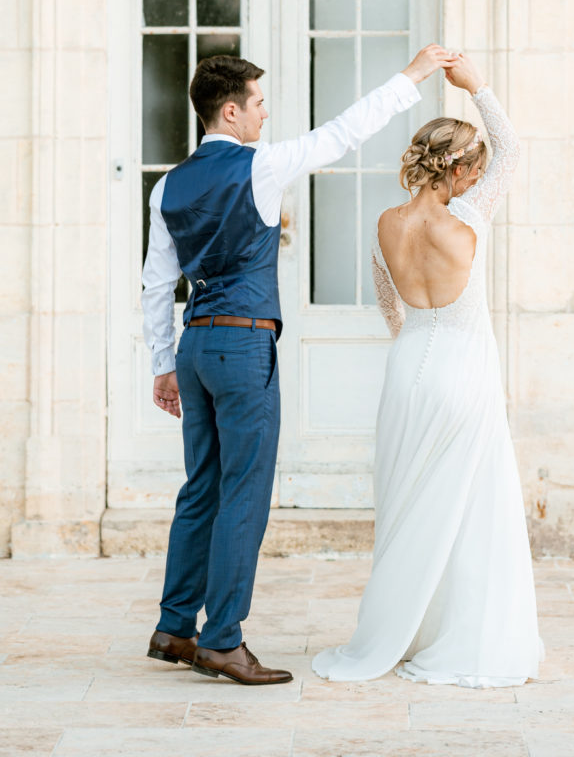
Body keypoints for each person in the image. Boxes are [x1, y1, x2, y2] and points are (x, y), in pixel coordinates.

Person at [141, 44, 453, 685]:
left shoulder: (168, 185)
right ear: (230, 111)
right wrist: (413, 77)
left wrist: (163, 362)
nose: (264, 115)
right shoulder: (260, 166)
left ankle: (175, 628)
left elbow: (155, 284)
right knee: (243, 495)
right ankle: (222, 640)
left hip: (196, 346)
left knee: (201, 487)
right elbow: (342, 133)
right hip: (243, 343)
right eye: (257, 104)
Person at [312, 53, 543, 687]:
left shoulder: (387, 223)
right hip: (464, 370)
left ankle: (402, 633)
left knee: (408, 507)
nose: (479, 178)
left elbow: (391, 309)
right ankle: (462, 638)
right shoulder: (469, 216)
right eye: (475, 169)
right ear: (463, 169)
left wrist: (421, 345)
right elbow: (514, 149)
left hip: (408, 365)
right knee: (473, 510)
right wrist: (478, 87)